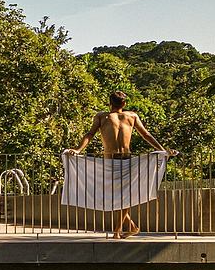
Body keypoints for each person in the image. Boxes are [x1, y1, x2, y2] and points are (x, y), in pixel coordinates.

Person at [65, 92, 174, 238]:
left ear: (110, 102)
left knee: (124, 196)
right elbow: (146, 135)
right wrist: (162, 149)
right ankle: (132, 227)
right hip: (115, 162)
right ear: (124, 104)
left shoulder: (115, 116)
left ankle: (117, 231)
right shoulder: (111, 116)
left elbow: (90, 134)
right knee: (113, 197)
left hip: (122, 161)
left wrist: (161, 150)